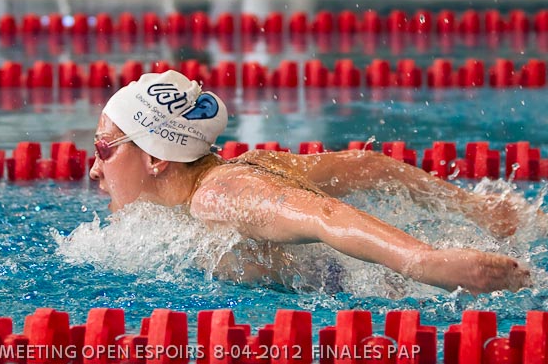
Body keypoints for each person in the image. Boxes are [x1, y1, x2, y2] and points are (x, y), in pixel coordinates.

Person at [89, 70, 532, 295]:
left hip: (398, 296)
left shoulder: (221, 197)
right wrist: (478, 209)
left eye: (104, 148)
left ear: (155, 158)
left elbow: (325, 215)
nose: (94, 169)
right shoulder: (246, 165)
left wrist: (426, 263)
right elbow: (366, 164)